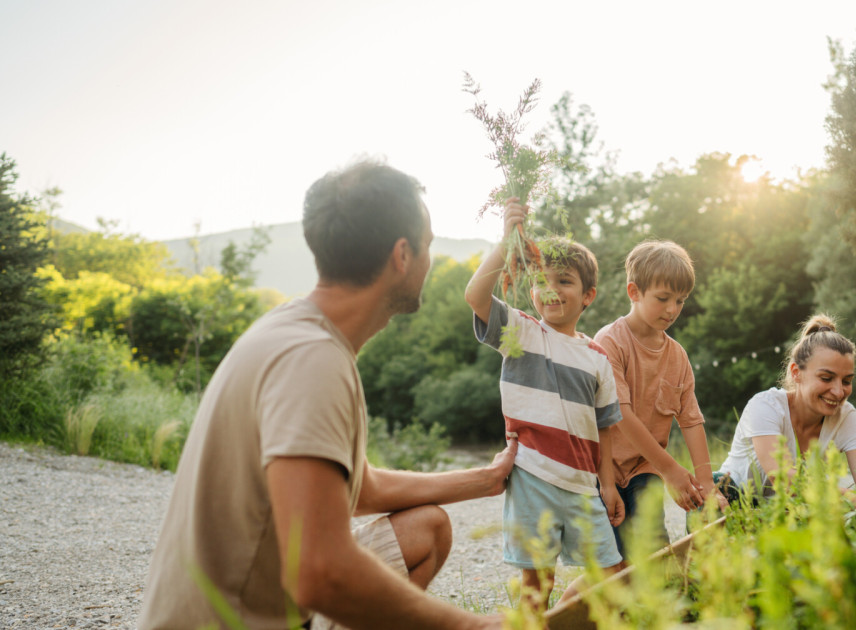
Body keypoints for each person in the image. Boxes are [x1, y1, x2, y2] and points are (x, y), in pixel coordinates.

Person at [139, 160, 516, 630]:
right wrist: (473, 626)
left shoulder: (296, 330)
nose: (430, 260)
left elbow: (360, 489)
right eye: (429, 245)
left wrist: (486, 479)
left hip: (268, 603)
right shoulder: (311, 361)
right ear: (402, 256)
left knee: (427, 528)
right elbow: (319, 573)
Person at [464, 199, 626, 611]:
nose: (550, 289)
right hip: (533, 478)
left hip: (583, 487)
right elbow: (475, 295)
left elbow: (605, 427)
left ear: (588, 296)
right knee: (538, 584)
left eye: (564, 281)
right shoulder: (521, 332)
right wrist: (507, 243)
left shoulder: (598, 358)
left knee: (611, 576)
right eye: (541, 281)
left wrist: (607, 485)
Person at [594, 240, 727, 557]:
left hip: (646, 468)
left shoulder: (677, 356)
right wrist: (671, 469)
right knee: (614, 559)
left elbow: (691, 421)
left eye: (680, 301)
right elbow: (620, 413)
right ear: (634, 292)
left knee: (653, 547)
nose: (672, 310)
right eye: (663, 298)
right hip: (602, 468)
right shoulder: (610, 342)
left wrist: (706, 484)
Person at [714, 314, 856, 511]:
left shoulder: (847, 418)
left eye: (847, 381)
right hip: (728, 498)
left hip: (783, 511)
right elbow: (782, 477)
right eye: (826, 378)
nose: (838, 391)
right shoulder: (765, 406)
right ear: (796, 372)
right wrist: (851, 497)